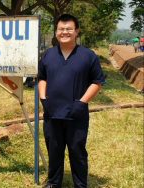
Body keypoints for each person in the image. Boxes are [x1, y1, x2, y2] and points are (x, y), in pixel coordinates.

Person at [38, 14, 105, 188]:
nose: (64, 32)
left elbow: (97, 82)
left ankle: (80, 184)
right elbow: (42, 78)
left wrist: (82, 103)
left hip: (77, 113)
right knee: (54, 150)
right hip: (52, 113)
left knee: (77, 151)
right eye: (61, 29)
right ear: (56, 32)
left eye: (69, 29)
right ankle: (53, 183)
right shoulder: (48, 55)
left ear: (76, 32)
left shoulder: (88, 56)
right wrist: (43, 98)